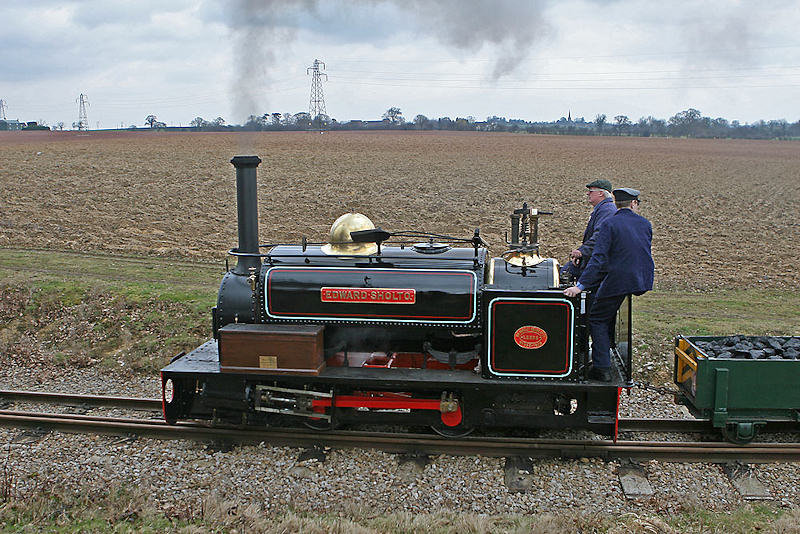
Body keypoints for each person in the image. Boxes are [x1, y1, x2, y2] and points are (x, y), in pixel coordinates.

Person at [563, 188, 654, 382]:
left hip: (618, 279)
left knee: (597, 318)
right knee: (607, 311)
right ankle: (607, 351)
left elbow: (599, 258)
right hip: (639, 279)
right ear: (633, 204)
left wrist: (580, 286)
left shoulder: (610, 223)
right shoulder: (645, 224)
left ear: (617, 203)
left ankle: (602, 368)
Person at [560, 179, 617, 282]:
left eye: (591, 191)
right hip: (595, 258)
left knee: (563, 274)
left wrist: (582, 251)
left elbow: (600, 236)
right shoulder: (603, 209)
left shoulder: (607, 210)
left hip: (600, 262)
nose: (588, 194)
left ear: (601, 193)